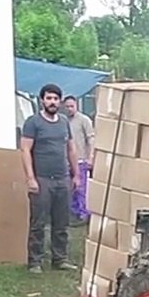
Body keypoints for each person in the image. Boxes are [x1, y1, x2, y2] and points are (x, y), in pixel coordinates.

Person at [20, 83, 80, 274]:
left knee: (61, 222)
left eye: (55, 99)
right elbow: (25, 150)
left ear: (60, 102)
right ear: (42, 101)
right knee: (38, 222)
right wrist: (30, 178)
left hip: (62, 179)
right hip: (42, 179)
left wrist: (76, 174)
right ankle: (35, 261)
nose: (52, 102)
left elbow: (71, 149)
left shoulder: (64, 122)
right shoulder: (33, 122)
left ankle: (59, 259)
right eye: (49, 98)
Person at [63, 94, 94, 225]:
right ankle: (73, 214)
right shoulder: (62, 121)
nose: (69, 109)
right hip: (65, 161)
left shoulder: (84, 120)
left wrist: (90, 157)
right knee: (70, 189)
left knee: (81, 188)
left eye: (72, 106)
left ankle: (84, 215)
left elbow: (91, 139)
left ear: (76, 105)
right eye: (67, 106)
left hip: (81, 160)